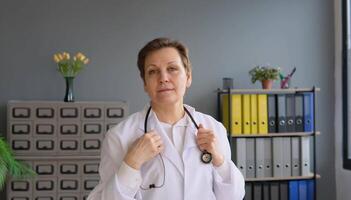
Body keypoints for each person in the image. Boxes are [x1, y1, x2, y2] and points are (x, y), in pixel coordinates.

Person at [88, 37, 245, 200]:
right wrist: (131, 163)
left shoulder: (214, 128)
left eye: (172, 68)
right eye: (153, 71)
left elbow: (234, 196)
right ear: (145, 83)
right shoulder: (120, 136)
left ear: (188, 77)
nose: (163, 78)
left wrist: (219, 160)